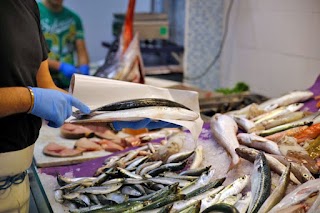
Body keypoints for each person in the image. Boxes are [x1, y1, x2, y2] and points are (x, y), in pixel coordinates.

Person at [38, 0, 90, 89]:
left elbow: (82, 52)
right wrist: (59, 66)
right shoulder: (35, 13)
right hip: (42, 83)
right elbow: (30, 55)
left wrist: (84, 67)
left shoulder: (74, 19)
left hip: (67, 83)